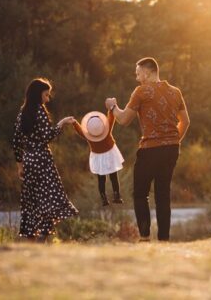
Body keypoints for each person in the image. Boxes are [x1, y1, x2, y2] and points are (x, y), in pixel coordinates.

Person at [105, 57, 190, 242]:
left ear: (147, 71)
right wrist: (173, 141)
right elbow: (186, 121)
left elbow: (124, 120)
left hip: (150, 150)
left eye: (138, 73)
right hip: (171, 150)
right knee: (162, 194)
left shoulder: (141, 92)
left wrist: (112, 106)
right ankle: (163, 240)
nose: (137, 78)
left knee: (140, 194)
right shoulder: (176, 92)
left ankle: (144, 237)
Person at [12, 78, 79, 242]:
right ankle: (42, 238)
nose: (48, 99)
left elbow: (16, 141)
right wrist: (62, 123)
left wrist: (20, 166)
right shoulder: (39, 111)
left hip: (28, 161)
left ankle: (31, 241)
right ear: (38, 94)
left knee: (32, 201)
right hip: (42, 160)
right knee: (51, 198)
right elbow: (47, 136)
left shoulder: (23, 113)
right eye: (46, 95)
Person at [72, 110, 124, 206]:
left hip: (98, 157)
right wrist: (110, 109)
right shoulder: (106, 130)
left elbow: (80, 131)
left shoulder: (89, 135)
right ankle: (117, 196)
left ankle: (104, 199)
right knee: (113, 177)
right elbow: (111, 119)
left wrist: (75, 123)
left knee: (101, 179)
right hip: (110, 154)